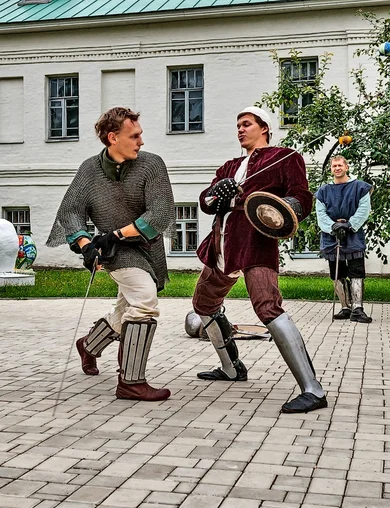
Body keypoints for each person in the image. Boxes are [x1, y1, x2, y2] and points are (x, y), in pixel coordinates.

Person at [192, 106, 327, 414]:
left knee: (267, 306)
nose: (240, 130)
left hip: (255, 240)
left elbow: (302, 197)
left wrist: (280, 208)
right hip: (222, 242)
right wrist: (216, 193)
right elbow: (205, 202)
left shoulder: (285, 157)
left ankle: (312, 389)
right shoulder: (230, 165)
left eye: (246, 124)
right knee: (203, 303)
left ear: (264, 127)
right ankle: (230, 368)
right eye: (237, 125)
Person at [46, 107, 175, 401]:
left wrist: (116, 233)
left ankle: (89, 346)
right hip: (117, 254)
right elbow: (71, 211)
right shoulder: (89, 170)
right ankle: (131, 382)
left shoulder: (152, 164)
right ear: (113, 137)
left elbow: (162, 213)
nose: (141, 141)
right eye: (135, 135)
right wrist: (85, 245)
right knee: (143, 301)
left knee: (124, 309)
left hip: (146, 247)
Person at [316, 155, 373, 323]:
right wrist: (333, 227)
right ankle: (345, 307)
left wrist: (349, 225)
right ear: (331, 169)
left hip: (353, 235)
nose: (337, 168)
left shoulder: (360, 188)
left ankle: (357, 309)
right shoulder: (323, 191)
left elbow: (364, 210)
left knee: (356, 271)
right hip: (331, 236)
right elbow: (321, 213)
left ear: (346, 167)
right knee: (337, 273)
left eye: (340, 165)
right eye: (334, 166)